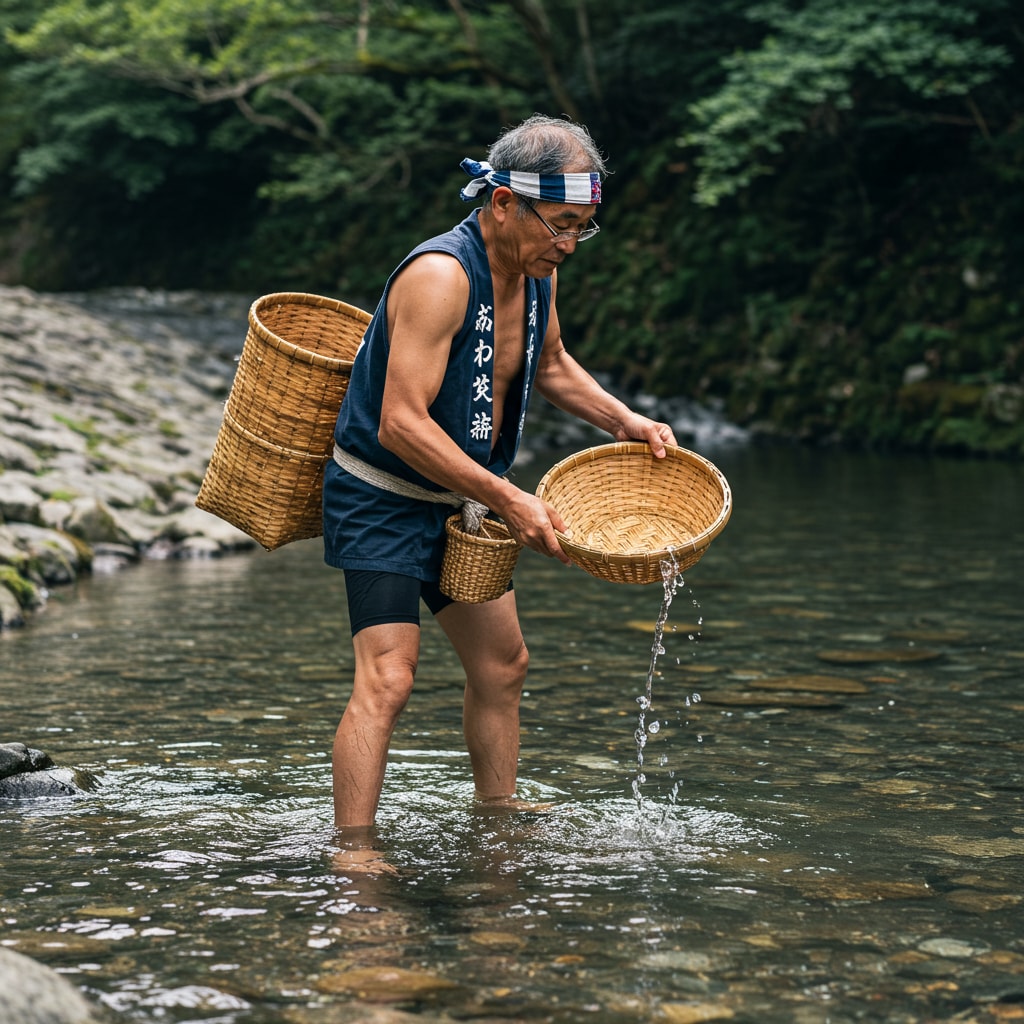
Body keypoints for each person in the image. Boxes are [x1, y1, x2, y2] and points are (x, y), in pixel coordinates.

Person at [323, 114, 676, 870]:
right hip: (383, 495)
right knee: (389, 676)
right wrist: (511, 499)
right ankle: (352, 851)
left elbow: (548, 366)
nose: (570, 244)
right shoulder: (441, 275)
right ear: (503, 202)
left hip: (460, 499)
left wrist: (627, 420)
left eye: (584, 227)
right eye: (560, 225)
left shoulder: (537, 272)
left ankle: (497, 819)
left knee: (503, 665)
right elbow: (399, 423)